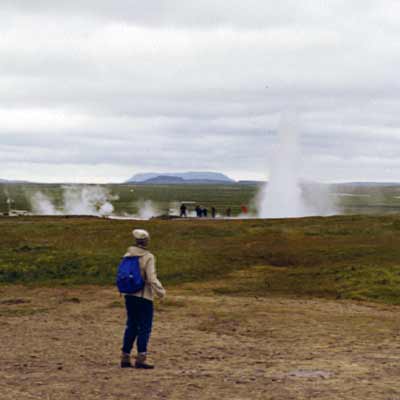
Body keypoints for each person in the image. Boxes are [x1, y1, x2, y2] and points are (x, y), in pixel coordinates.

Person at [120, 229, 166, 369]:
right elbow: (151, 278)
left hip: (129, 295)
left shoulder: (127, 255)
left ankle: (125, 357)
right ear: (146, 241)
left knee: (131, 325)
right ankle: (141, 358)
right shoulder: (148, 257)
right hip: (144, 296)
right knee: (145, 327)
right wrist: (161, 292)